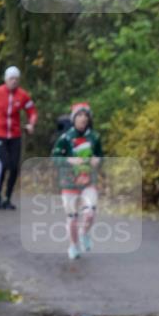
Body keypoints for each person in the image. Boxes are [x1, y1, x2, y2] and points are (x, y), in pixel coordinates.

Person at [52, 103, 103, 260]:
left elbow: (100, 156)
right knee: (72, 217)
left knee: (90, 213)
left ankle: (84, 233)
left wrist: (98, 160)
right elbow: (55, 158)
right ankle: (73, 246)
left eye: (86, 115)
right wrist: (69, 160)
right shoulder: (65, 138)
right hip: (69, 182)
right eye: (79, 115)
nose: (83, 118)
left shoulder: (94, 137)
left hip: (88, 180)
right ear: (73, 119)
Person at [0, 66, 38, 209]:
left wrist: (31, 124)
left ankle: (7, 198)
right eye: (11, 78)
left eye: (16, 79)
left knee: (14, 167)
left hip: (15, 136)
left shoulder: (22, 95)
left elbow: (32, 111)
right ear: (6, 79)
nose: (14, 81)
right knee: (3, 164)